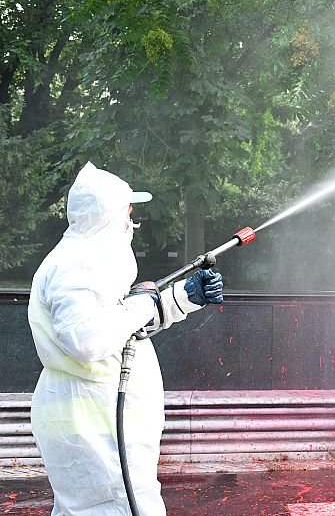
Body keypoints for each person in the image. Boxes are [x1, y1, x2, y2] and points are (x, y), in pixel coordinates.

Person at [28, 162, 224, 515]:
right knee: (116, 507)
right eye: (127, 214)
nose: (131, 223)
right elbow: (86, 340)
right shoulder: (75, 266)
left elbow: (118, 326)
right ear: (108, 216)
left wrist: (183, 298)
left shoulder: (91, 262)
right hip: (93, 421)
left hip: (98, 416)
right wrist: (141, 304)